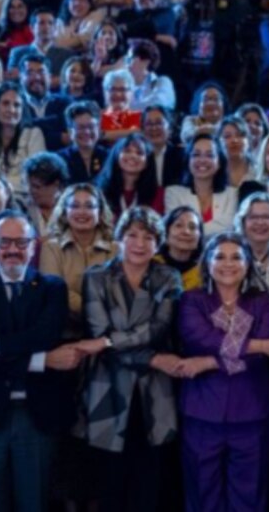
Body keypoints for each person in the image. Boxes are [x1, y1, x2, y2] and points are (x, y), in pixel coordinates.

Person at [0, 209, 77, 512]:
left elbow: (43, 336)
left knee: (34, 503)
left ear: (34, 246)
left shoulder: (52, 288)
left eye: (21, 243)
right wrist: (43, 361)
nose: (12, 250)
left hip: (37, 414)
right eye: (4, 242)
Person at [72, 206, 182, 512]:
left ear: (158, 244)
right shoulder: (96, 277)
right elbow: (97, 331)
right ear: (118, 238)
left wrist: (108, 341)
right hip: (107, 388)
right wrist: (151, 359)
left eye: (148, 237)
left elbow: (159, 329)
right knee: (110, 487)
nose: (139, 243)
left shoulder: (168, 277)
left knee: (149, 486)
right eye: (132, 234)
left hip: (155, 393)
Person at [177, 232, 269, 512]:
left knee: (249, 495)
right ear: (207, 263)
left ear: (248, 263)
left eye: (236, 256)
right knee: (202, 494)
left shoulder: (261, 301)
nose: (228, 263)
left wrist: (207, 363)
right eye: (219, 256)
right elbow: (202, 340)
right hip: (202, 411)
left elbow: (260, 357)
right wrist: (260, 344)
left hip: (252, 411)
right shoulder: (192, 300)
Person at [40, 183, 117, 336]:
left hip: (109, 333)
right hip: (63, 333)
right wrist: (96, 311)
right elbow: (56, 292)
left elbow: (117, 294)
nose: (82, 212)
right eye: (74, 206)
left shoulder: (116, 249)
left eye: (89, 206)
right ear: (64, 212)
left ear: (100, 213)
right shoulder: (51, 248)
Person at [164, 133, 238, 237]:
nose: (202, 160)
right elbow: (174, 229)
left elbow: (228, 226)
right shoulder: (173, 193)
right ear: (188, 160)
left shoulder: (232, 194)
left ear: (219, 162)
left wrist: (191, 230)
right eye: (196, 155)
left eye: (210, 155)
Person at [0, 81, 46, 198]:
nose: (11, 110)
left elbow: (36, 180)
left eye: (17, 105)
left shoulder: (34, 135)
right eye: (5, 104)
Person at [95, 133, 163, 218]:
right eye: (127, 151)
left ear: (147, 162)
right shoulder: (98, 191)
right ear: (116, 155)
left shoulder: (157, 194)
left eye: (139, 153)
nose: (133, 156)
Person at [234, 192, 269, 290]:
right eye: (253, 217)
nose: (260, 222)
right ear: (243, 223)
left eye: (266, 217)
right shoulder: (232, 258)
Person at [22, 152, 70, 241]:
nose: (31, 191)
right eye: (29, 186)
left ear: (56, 185)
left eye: (37, 187)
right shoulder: (22, 210)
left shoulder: (70, 211)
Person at [58, 100, 108, 184]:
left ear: (98, 129)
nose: (86, 132)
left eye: (91, 126)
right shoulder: (59, 160)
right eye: (80, 127)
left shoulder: (109, 157)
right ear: (70, 131)